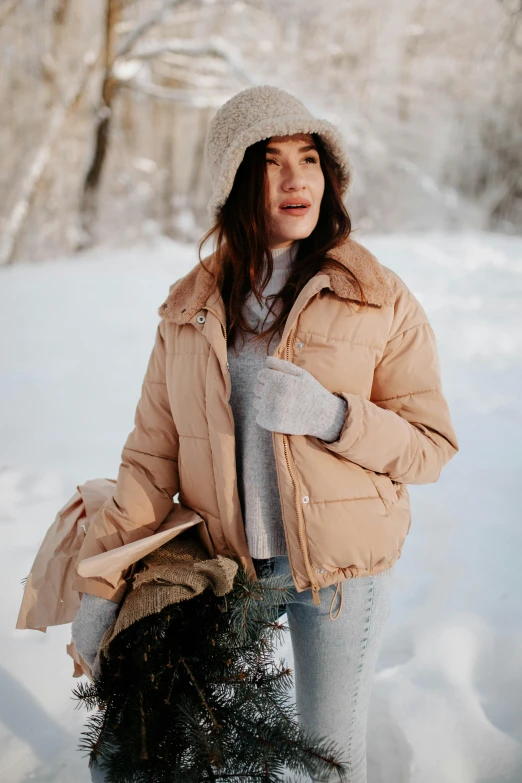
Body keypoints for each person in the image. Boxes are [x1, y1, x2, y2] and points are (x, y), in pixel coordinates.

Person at [71, 85, 459, 782]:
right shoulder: (190, 308)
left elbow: (430, 444)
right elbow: (150, 459)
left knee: (328, 758)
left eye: (309, 158)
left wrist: (334, 416)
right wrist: (102, 586)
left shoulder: (377, 296)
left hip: (340, 572)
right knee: (183, 749)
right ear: (235, 180)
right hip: (225, 570)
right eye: (271, 160)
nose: (294, 179)